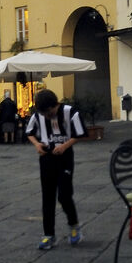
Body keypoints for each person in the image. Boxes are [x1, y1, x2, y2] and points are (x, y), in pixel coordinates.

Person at [25, 89, 84, 251]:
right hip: (46, 158)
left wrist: (65, 146)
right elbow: (29, 132)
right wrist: (37, 144)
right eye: (43, 113)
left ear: (54, 105)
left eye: (48, 112)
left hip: (64, 158)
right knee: (47, 197)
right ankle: (49, 234)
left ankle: (74, 225)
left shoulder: (70, 112)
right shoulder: (38, 116)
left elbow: (80, 133)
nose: (46, 116)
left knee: (65, 196)